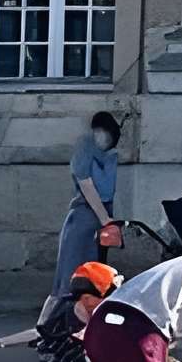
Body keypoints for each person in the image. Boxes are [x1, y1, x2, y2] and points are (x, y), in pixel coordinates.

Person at [52, 110, 122, 301]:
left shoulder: (105, 153)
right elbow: (85, 183)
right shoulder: (85, 145)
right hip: (84, 217)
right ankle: (66, 314)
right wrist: (105, 218)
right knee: (76, 271)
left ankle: (81, 312)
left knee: (90, 273)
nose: (105, 144)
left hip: (95, 219)